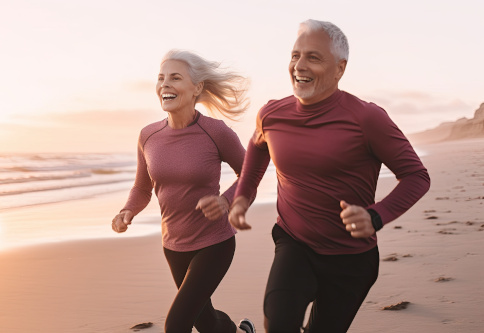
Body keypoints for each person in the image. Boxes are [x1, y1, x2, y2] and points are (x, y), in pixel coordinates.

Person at [228, 19, 430, 333]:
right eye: (295, 55)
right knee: (279, 324)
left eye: (313, 57)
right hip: (295, 244)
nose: (299, 66)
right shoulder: (271, 114)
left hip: (352, 260)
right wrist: (243, 197)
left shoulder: (367, 118)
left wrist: (375, 216)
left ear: (340, 68)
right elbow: (257, 150)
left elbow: (417, 176)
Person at [112, 49, 256, 333]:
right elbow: (142, 187)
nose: (165, 84)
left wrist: (226, 201)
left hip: (215, 242)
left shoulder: (216, 132)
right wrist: (127, 210)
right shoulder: (148, 136)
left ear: (197, 88)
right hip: (174, 245)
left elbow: (250, 173)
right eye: (161, 78)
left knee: (176, 325)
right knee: (207, 323)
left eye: (175, 78)